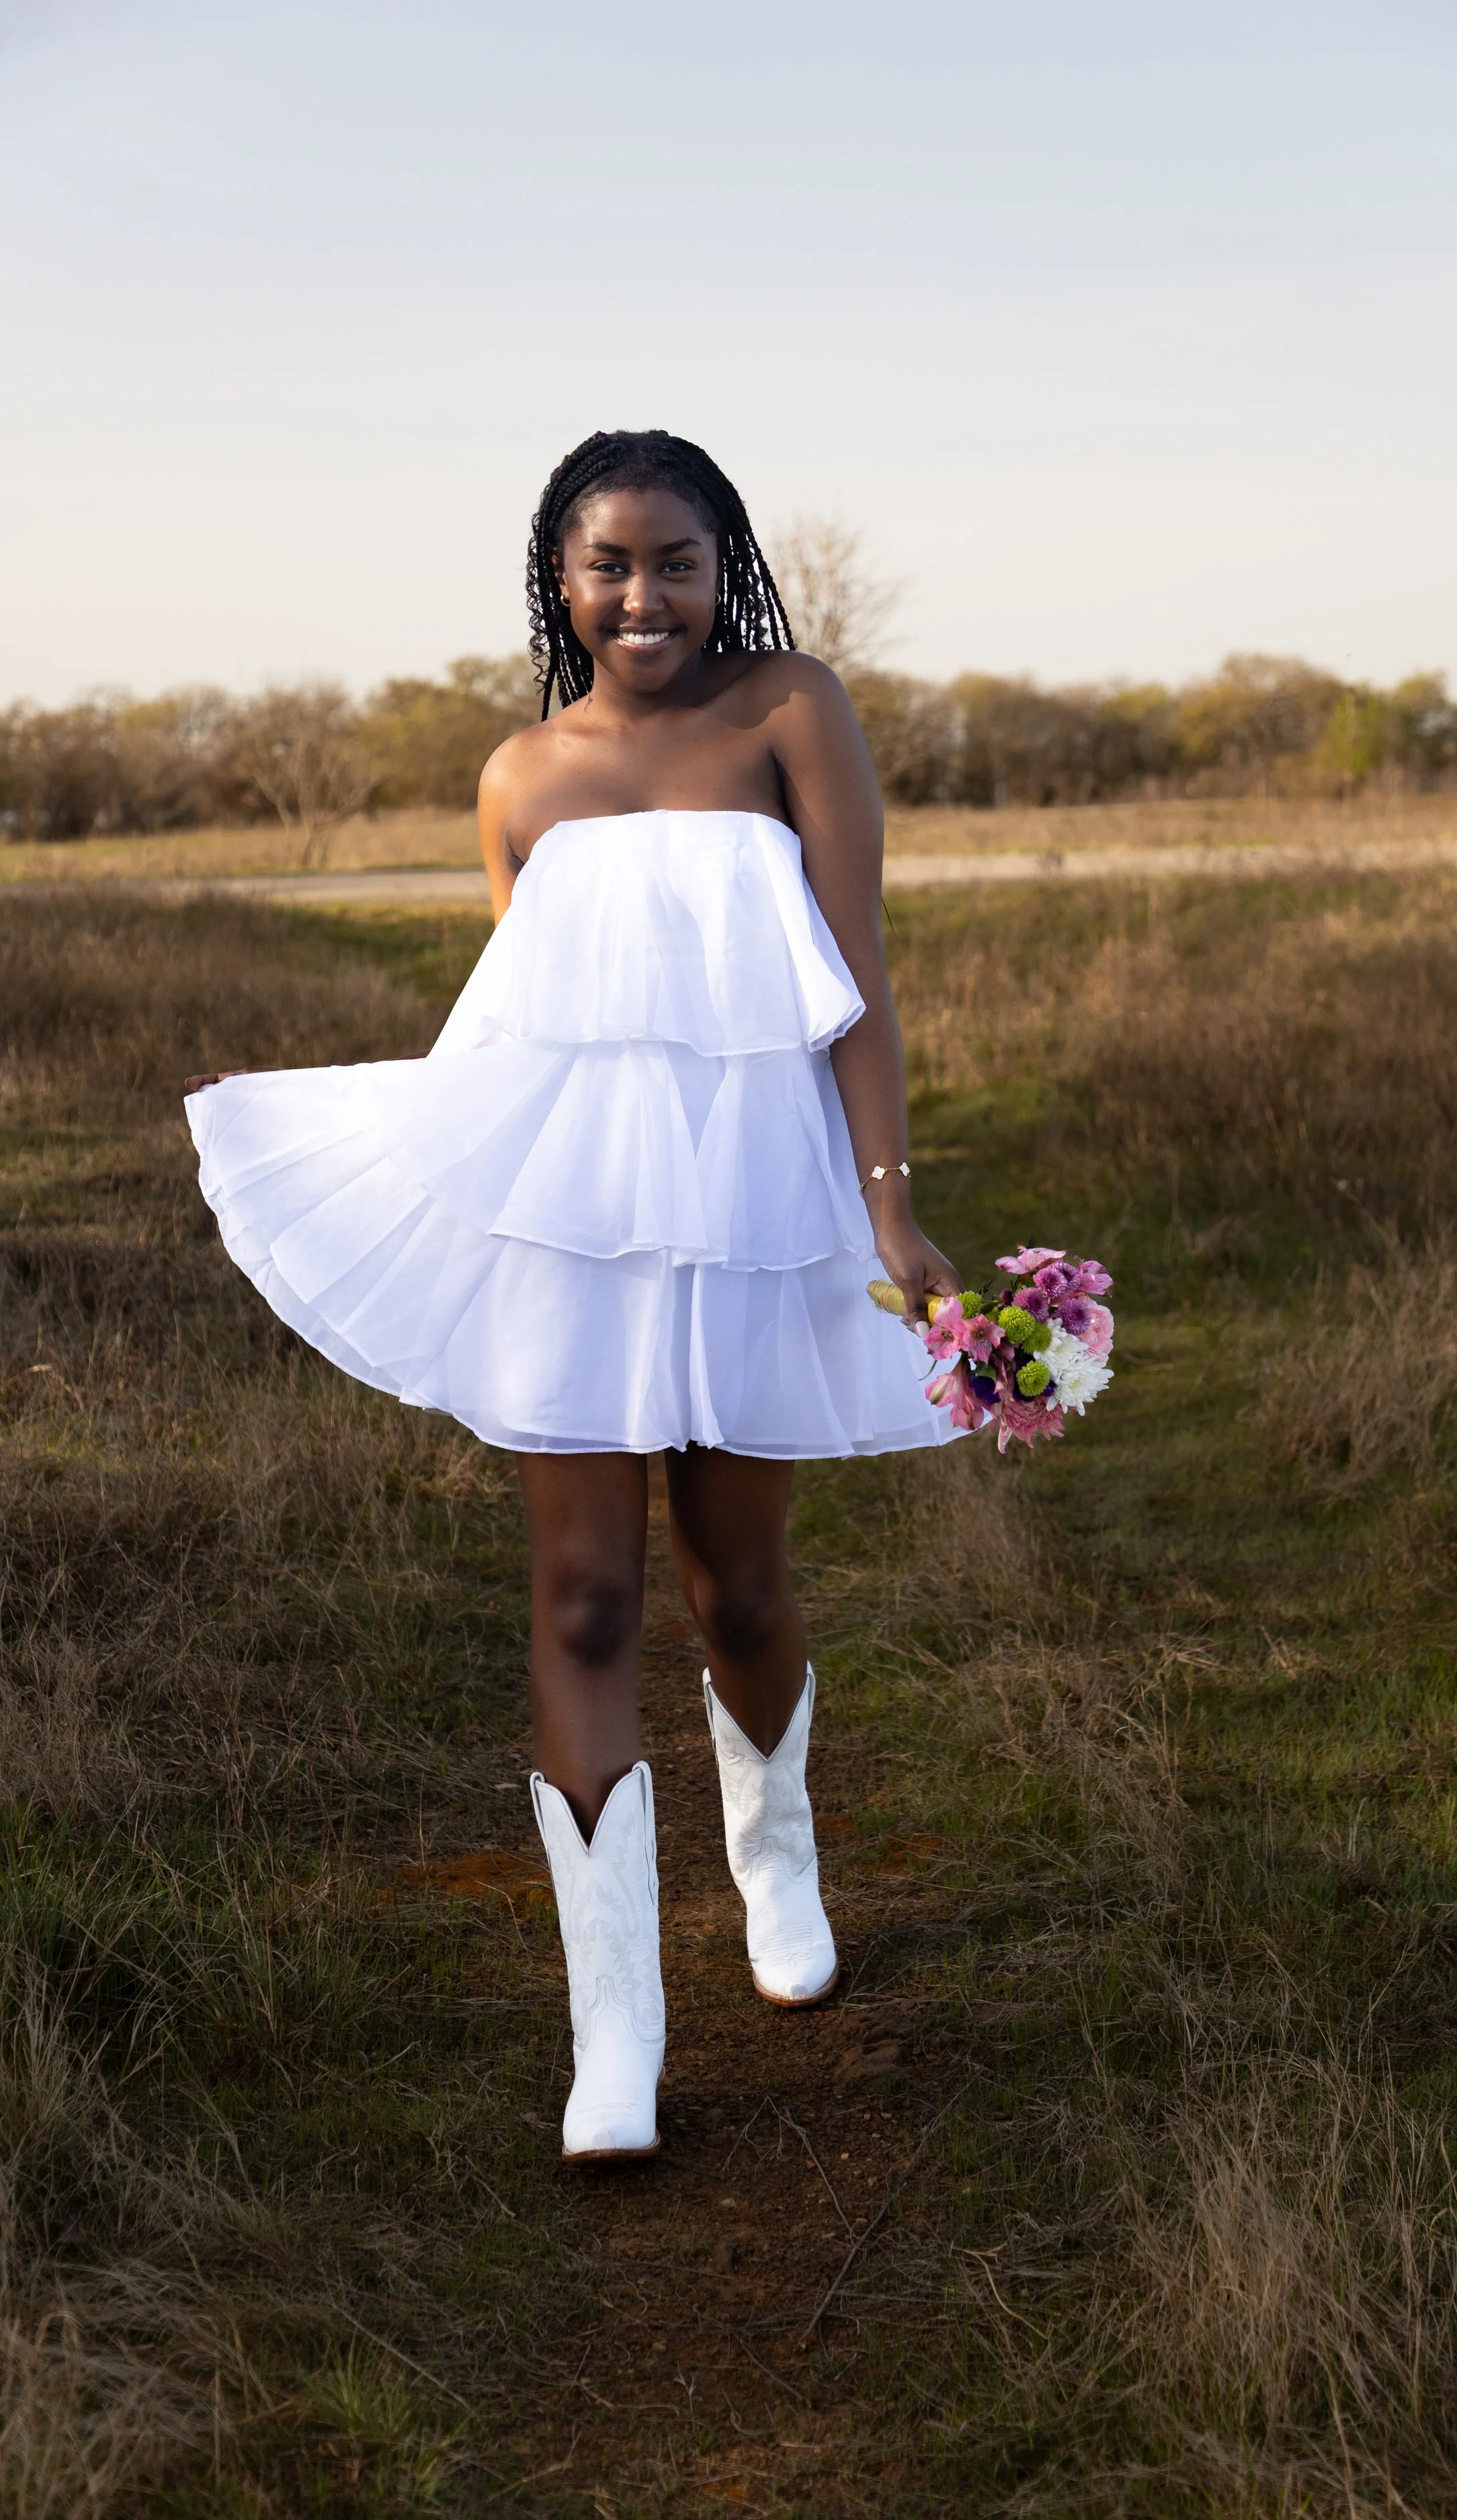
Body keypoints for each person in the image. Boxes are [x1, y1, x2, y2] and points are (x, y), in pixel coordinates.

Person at [185, 429, 962, 2162]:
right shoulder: (517, 779)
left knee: (737, 1591)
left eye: (677, 560)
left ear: (724, 566)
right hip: (571, 1235)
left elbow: (855, 987)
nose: (643, 595)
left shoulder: (792, 716)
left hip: (761, 1217)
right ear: (561, 573)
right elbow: (526, 1030)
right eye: (610, 562)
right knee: (591, 1602)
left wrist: (890, 1209)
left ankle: (779, 1861)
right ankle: (616, 2035)